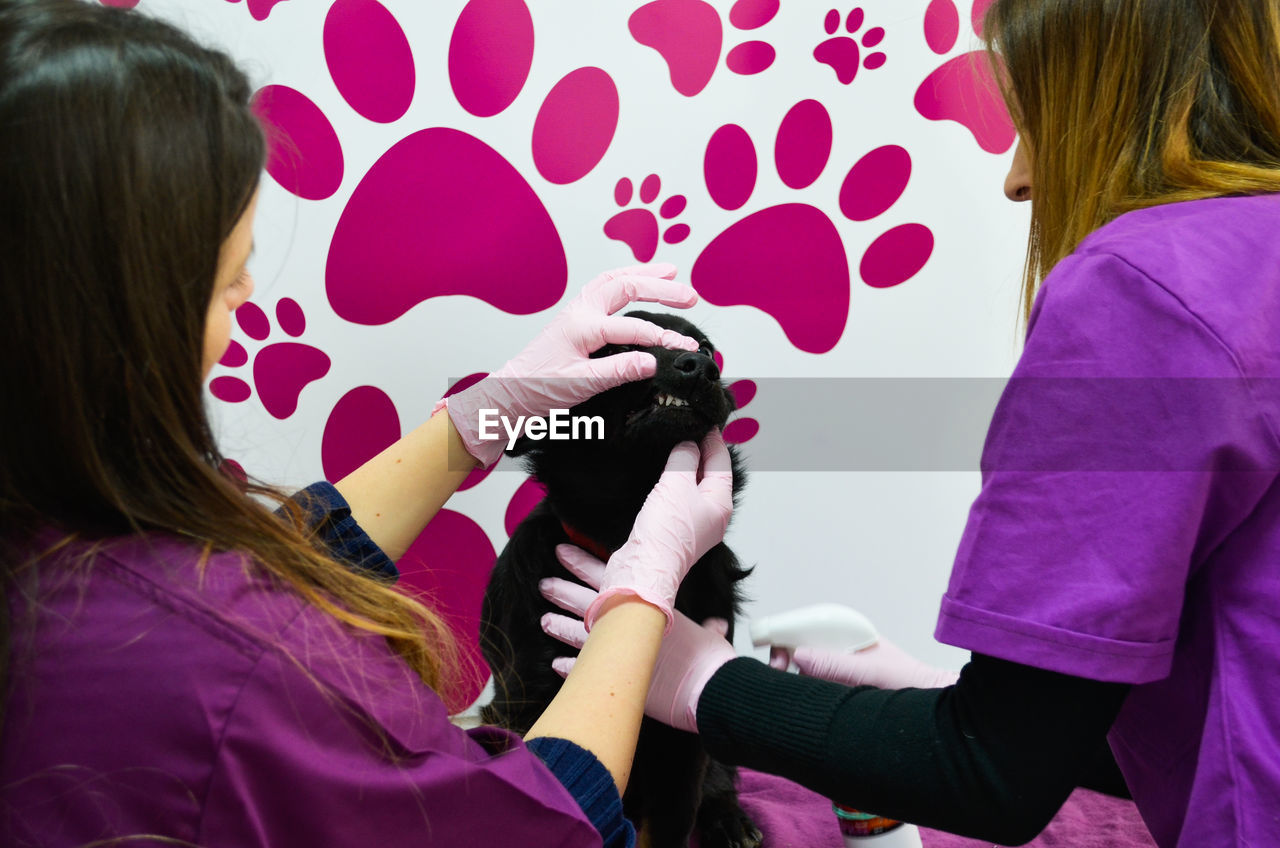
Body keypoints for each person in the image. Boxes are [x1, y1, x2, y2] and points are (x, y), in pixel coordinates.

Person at [539, 1, 1280, 846]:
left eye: (1029, 120)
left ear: (1100, 101)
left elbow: (990, 775)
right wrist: (926, 694)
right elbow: (1227, 708)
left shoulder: (1143, 295)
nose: (1017, 179)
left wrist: (702, 679)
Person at [0, 2, 733, 846]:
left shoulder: (56, 537)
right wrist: (642, 591)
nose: (243, 306)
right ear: (108, 318)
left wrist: (475, 421)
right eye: (229, 279)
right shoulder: (217, 667)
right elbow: (531, 827)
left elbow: (249, 579)